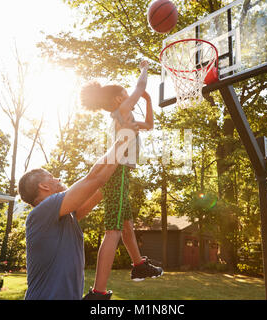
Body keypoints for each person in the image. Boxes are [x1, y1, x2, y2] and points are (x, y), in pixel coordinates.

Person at [18, 122, 138, 300]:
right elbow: (94, 178)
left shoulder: (67, 215)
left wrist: (120, 165)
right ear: (43, 186)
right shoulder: (42, 211)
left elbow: (100, 187)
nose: (57, 178)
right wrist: (122, 140)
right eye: (51, 177)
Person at [80, 60, 163, 300]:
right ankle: (98, 292)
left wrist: (148, 101)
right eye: (127, 95)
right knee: (114, 230)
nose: (132, 97)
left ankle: (138, 266)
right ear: (119, 100)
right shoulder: (121, 112)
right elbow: (140, 86)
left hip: (121, 173)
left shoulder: (124, 118)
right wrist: (144, 70)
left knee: (126, 225)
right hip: (117, 172)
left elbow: (149, 124)